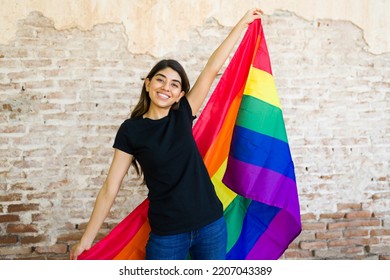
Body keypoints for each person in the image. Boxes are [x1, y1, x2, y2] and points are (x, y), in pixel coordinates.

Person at [70, 8, 263, 260]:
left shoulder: (183, 114)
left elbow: (211, 67)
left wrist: (241, 24)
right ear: (148, 84)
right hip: (168, 234)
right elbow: (110, 187)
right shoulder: (131, 130)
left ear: (181, 94)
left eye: (174, 84)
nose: (166, 88)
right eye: (160, 80)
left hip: (211, 226)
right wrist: (86, 240)